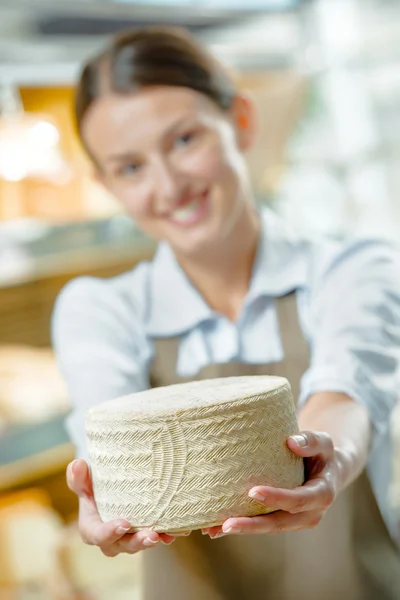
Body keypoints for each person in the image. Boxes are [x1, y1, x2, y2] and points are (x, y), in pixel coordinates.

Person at [52, 26, 400, 600]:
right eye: (130, 168)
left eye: (185, 140)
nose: (169, 186)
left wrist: (326, 465)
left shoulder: (352, 269)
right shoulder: (100, 308)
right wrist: (99, 497)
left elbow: (344, 394)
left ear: (240, 120)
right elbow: (107, 436)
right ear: (106, 184)